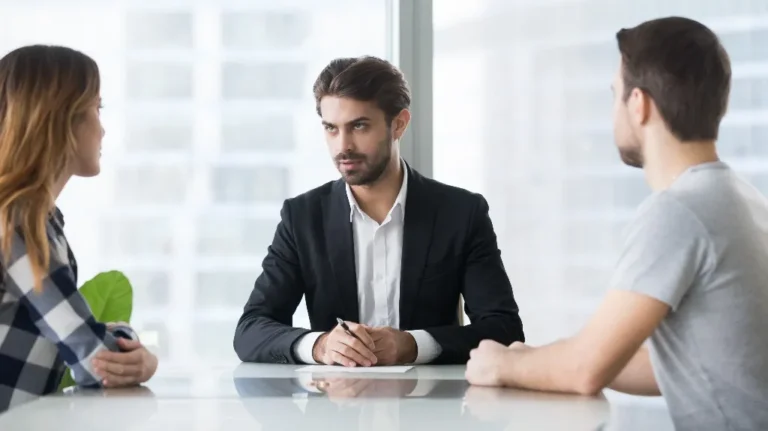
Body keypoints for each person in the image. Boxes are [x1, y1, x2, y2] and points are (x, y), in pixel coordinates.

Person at [465, 16, 768, 431]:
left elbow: (584, 371)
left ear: (639, 104)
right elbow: (681, 365)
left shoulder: (679, 212)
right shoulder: (741, 199)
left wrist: (500, 363)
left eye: (615, 96)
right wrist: (535, 359)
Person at [234, 56, 524, 366]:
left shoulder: (461, 214)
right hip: (333, 411)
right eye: (331, 129)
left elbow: (504, 330)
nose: (342, 146)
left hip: (435, 410)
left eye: (359, 126)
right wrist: (320, 346)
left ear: (398, 124)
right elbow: (251, 329)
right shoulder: (302, 218)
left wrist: (413, 345)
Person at [0, 45, 158, 413]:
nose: (102, 129)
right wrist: (135, 347)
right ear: (61, 120)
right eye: (95, 109)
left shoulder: (35, 218)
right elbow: (95, 360)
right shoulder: (18, 221)